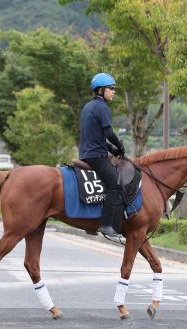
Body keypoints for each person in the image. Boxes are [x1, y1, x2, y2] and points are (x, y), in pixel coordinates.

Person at [79, 73, 126, 238]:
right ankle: (106, 225)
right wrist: (120, 145)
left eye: (114, 89)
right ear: (100, 90)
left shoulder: (87, 107)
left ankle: (91, 220)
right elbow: (108, 132)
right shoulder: (102, 107)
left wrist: (113, 150)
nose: (113, 92)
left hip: (87, 153)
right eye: (111, 88)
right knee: (116, 185)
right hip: (96, 156)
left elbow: (97, 138)